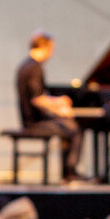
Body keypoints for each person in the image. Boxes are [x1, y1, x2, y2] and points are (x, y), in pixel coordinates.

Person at [15, 30, 82, 178]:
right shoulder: (34, 68)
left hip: (30, 121)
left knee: (67, 125)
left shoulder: (26, 65)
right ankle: (70, 172)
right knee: (73, 128)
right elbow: (37, 99)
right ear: (45, 47)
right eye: (51, 48)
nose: (52, 52)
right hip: (34, 124)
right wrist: (59, 108)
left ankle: (67, 172)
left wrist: (57, 103)